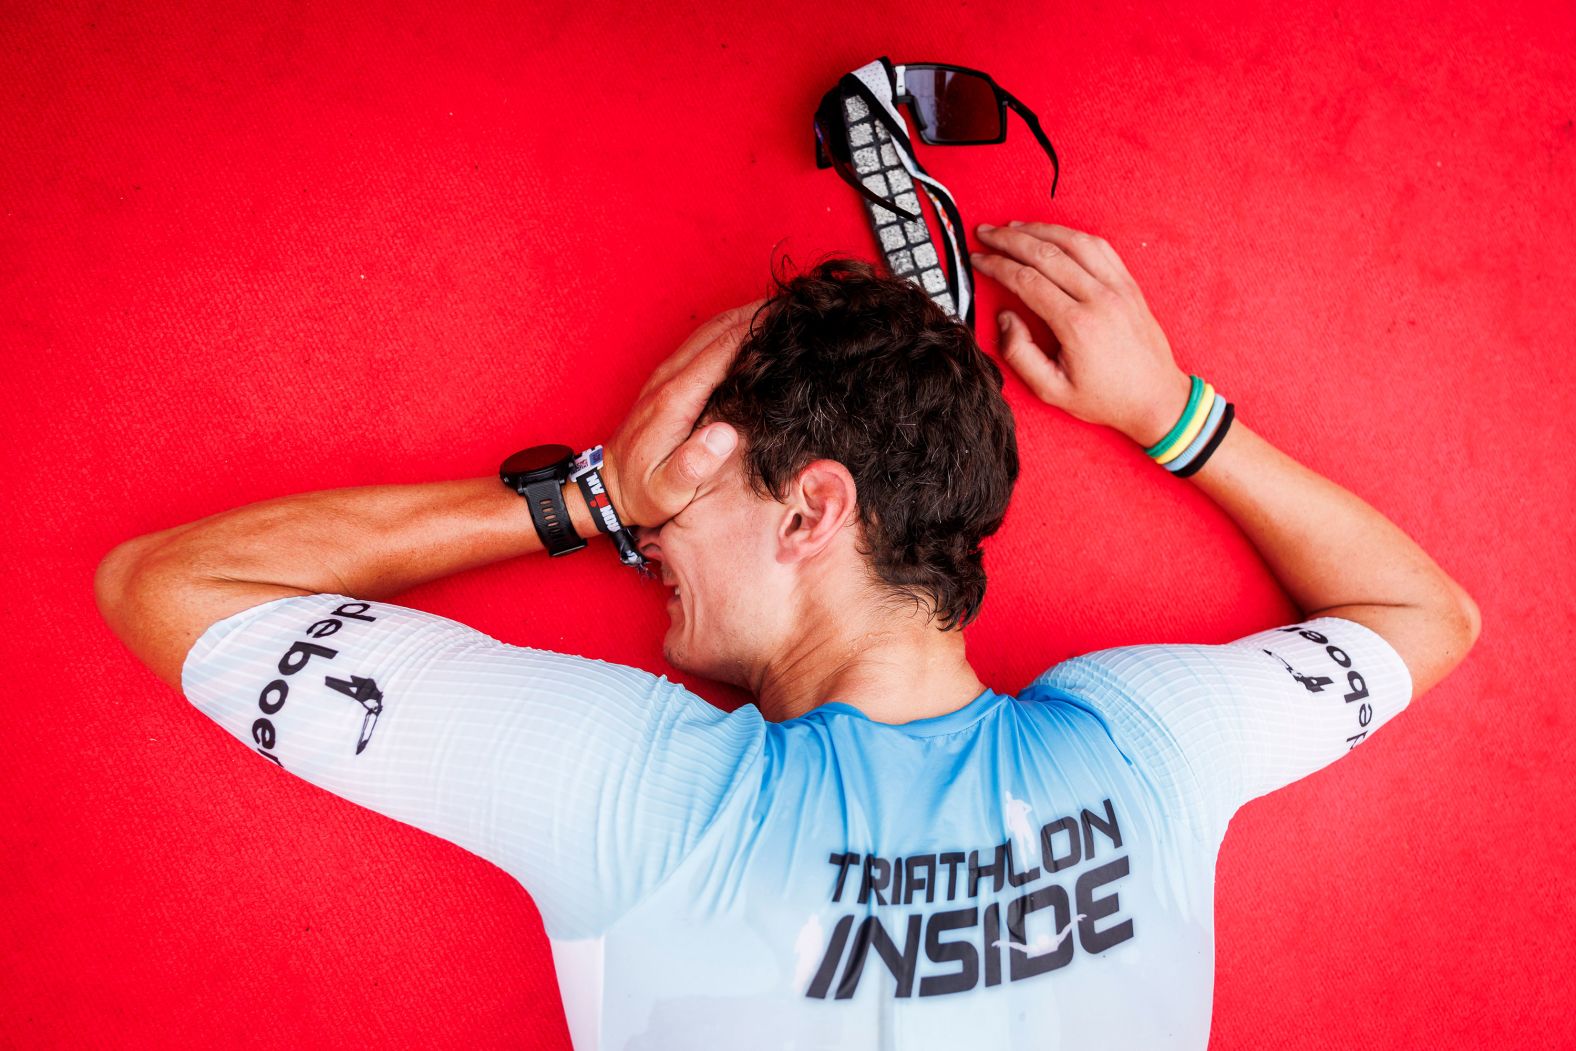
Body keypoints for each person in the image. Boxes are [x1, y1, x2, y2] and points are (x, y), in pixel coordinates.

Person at [94, 221, 1480, 1050]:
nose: (651, 538)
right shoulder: (1149, 746)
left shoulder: (636, 793)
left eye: (680, 481)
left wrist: (584, 499)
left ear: (814, 509)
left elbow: (170, 587)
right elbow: (1425, 613)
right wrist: (1172, 413)